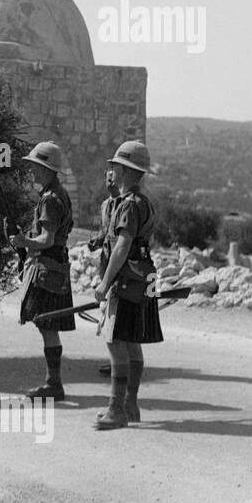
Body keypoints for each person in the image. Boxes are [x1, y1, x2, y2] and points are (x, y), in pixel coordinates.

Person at [95, 141, 163, 430]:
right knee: (132, 342)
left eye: (116, 166)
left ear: (124, 169)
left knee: (115, 341)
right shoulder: (143, 202)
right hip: (142, 280)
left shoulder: (128, 205)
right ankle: (130, 404)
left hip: (125, 282)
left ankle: (116, 408)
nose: (113, 170)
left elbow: (122, 246)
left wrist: (105, 281)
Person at [14, 142, 77, 402]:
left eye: (36, 167)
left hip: (48, 266)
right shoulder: (57, 194)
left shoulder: (51, 199)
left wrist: (23, 242)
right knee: (46, 324)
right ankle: (53, 382)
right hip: (53, 265)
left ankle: (54, 384)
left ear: (47, 169)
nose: (32, 171)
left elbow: (47, 239)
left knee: (47, 323)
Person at [87, 165, 122, 376]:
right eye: (107, 179)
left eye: (113, 179)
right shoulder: (105, 206)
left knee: (118, 314)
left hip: (120, 267)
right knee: (107, 312)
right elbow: (106, 231)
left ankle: (119, 362)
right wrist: (97, 240)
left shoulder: (126, 205)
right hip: (105, 262)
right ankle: (115, 360)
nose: (110, 183)